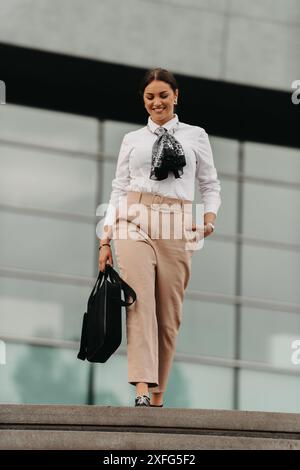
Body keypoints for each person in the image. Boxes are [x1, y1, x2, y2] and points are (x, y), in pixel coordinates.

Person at [98, 67, 221, 407]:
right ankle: (140, 388)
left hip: (178, 222)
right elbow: (119, 188)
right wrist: (105, 239)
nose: (156, 102)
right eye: (149, 97)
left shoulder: (196, 135)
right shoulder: (132, 140)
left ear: (176, 96)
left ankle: (157, 397)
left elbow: (209, 184)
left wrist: (209, 219)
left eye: (163, 96)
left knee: (169, 316)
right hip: (134, 219)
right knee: (139, 302)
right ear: (143, 100)